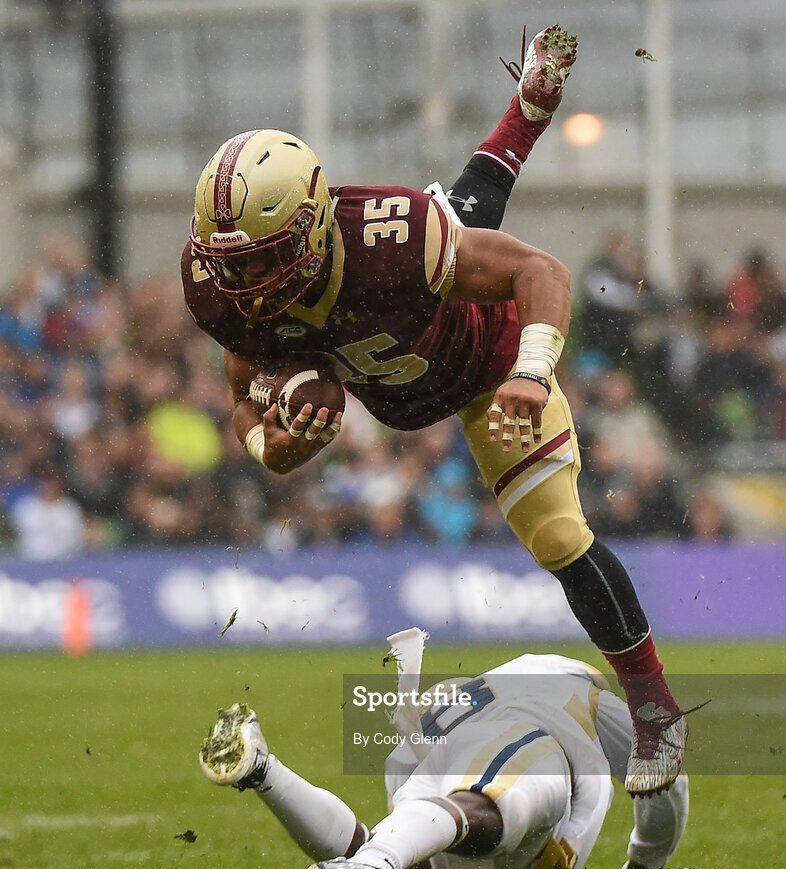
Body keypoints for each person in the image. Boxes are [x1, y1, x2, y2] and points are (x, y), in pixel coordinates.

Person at [181, 25, 690, 797]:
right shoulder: (219, 287)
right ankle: (526, 110)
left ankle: (655, 707)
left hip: (485, 365)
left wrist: (531, 369)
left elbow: (539, 271)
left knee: (556, 534)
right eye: (233, 264)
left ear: (315, 229)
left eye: (263, 259)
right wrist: (269, 445)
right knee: (461, 208)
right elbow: (239, 387)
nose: (246, 284)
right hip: (398, 385)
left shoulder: (390, 240)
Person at [198, 629, 713, 869]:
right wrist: (645, 867)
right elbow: (665, 776)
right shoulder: (586, 697)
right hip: (519, 727)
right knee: (509, 803)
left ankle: (265, 771)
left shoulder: (514, 866)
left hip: (433, 742)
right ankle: (369, 868)